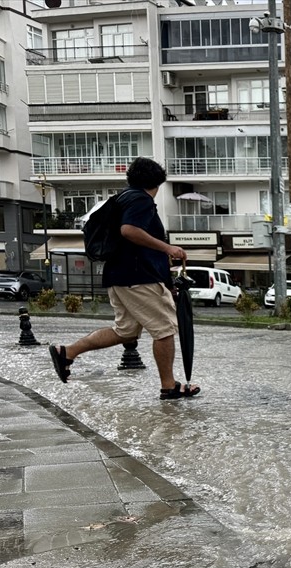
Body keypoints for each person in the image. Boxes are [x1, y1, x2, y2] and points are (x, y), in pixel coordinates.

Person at [49, 157, 199, 400]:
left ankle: (67, 352)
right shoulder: (141, 200)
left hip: (119, 276)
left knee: (125, 331)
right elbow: (129, 230)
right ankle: (168, 385)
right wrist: (167, 248)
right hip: (138, 277)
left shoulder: (122, 197)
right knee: (164, 330)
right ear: (158, 181)